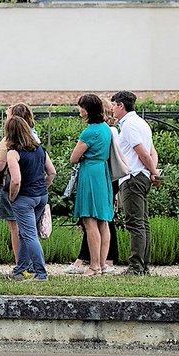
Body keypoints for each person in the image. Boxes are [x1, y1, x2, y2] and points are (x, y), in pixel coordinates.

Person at [110, 91, 161, 276]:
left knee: (135, 223)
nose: (112, 109)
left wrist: (154, 172)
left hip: (132, 177)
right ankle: (143, 265)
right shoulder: (141, 123)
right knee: (142, 223)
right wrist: (152, 172)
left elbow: (143, 153)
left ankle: (136, 267)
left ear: (121, 105)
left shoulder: (129, 125)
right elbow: (152, 152)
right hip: (143, 176)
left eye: (114, 105)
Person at [3, 117, 56, 281]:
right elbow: (52, 172)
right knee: (24, 233)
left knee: (29, 234)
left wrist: (12, 197)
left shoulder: (13, 153)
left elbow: (16, 180)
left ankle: (41, 273)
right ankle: (20, 268)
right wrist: (42, 188)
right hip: (41, 196)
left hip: (24, 197)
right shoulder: (40, 149)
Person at [69, 94, 115, 277]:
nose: (79, 110)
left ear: (87, 109)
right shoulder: (105, 128)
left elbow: (74, 157)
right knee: (103, 219)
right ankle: (102, 264)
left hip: (90, 173)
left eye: (81, 107)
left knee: (89, 220)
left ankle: (94, 265)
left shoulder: (89, 131)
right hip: (102, 172)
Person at [0, 103, 39, 266]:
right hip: (34, 187)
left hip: (13, 187)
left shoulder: (8, 142)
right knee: (29, 229)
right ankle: (33, 263)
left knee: (15, 227)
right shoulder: (34, 137)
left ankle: (20, 263)